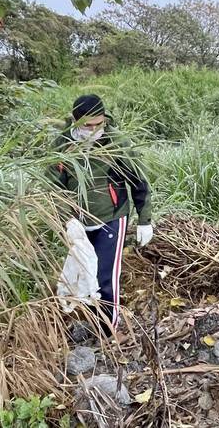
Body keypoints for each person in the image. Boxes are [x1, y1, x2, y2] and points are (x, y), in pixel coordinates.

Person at [48, 94, 153, 336]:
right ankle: (87, 321)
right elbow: (53, 186)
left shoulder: (117, 142)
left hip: (112, 218)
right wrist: (67, 219)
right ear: (76, 122)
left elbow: (140, 181)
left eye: (99, 124)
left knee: (105, 276)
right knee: (83, 274)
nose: (94, 130)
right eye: (87, 125)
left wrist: (145, 220)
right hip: (78, 222)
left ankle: (107, 332)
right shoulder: (62, 145)